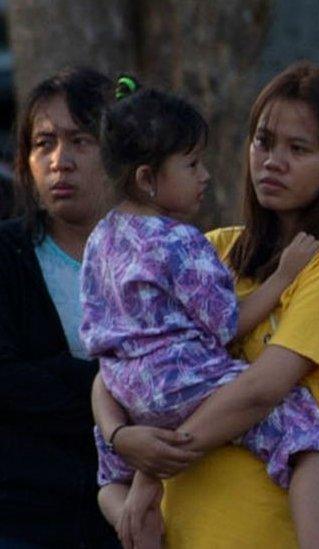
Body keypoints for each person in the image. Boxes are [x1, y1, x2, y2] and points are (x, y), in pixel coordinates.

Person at [91, 62, 319, 549]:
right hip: (181, 533)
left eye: (298, 148)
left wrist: (150, 467)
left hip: (265, 534)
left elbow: (261, 390)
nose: (272, 161)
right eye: (263, 142)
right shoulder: (209, 247)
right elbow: (117, 366)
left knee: (303, 428)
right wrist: (120, 436)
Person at [0, 67, 118, 548]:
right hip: (26, 517)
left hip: (135, 513)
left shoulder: (161, 257)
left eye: (80, 140)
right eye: (42, 143)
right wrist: (112, 388)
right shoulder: (8, 256)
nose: (59, 160)